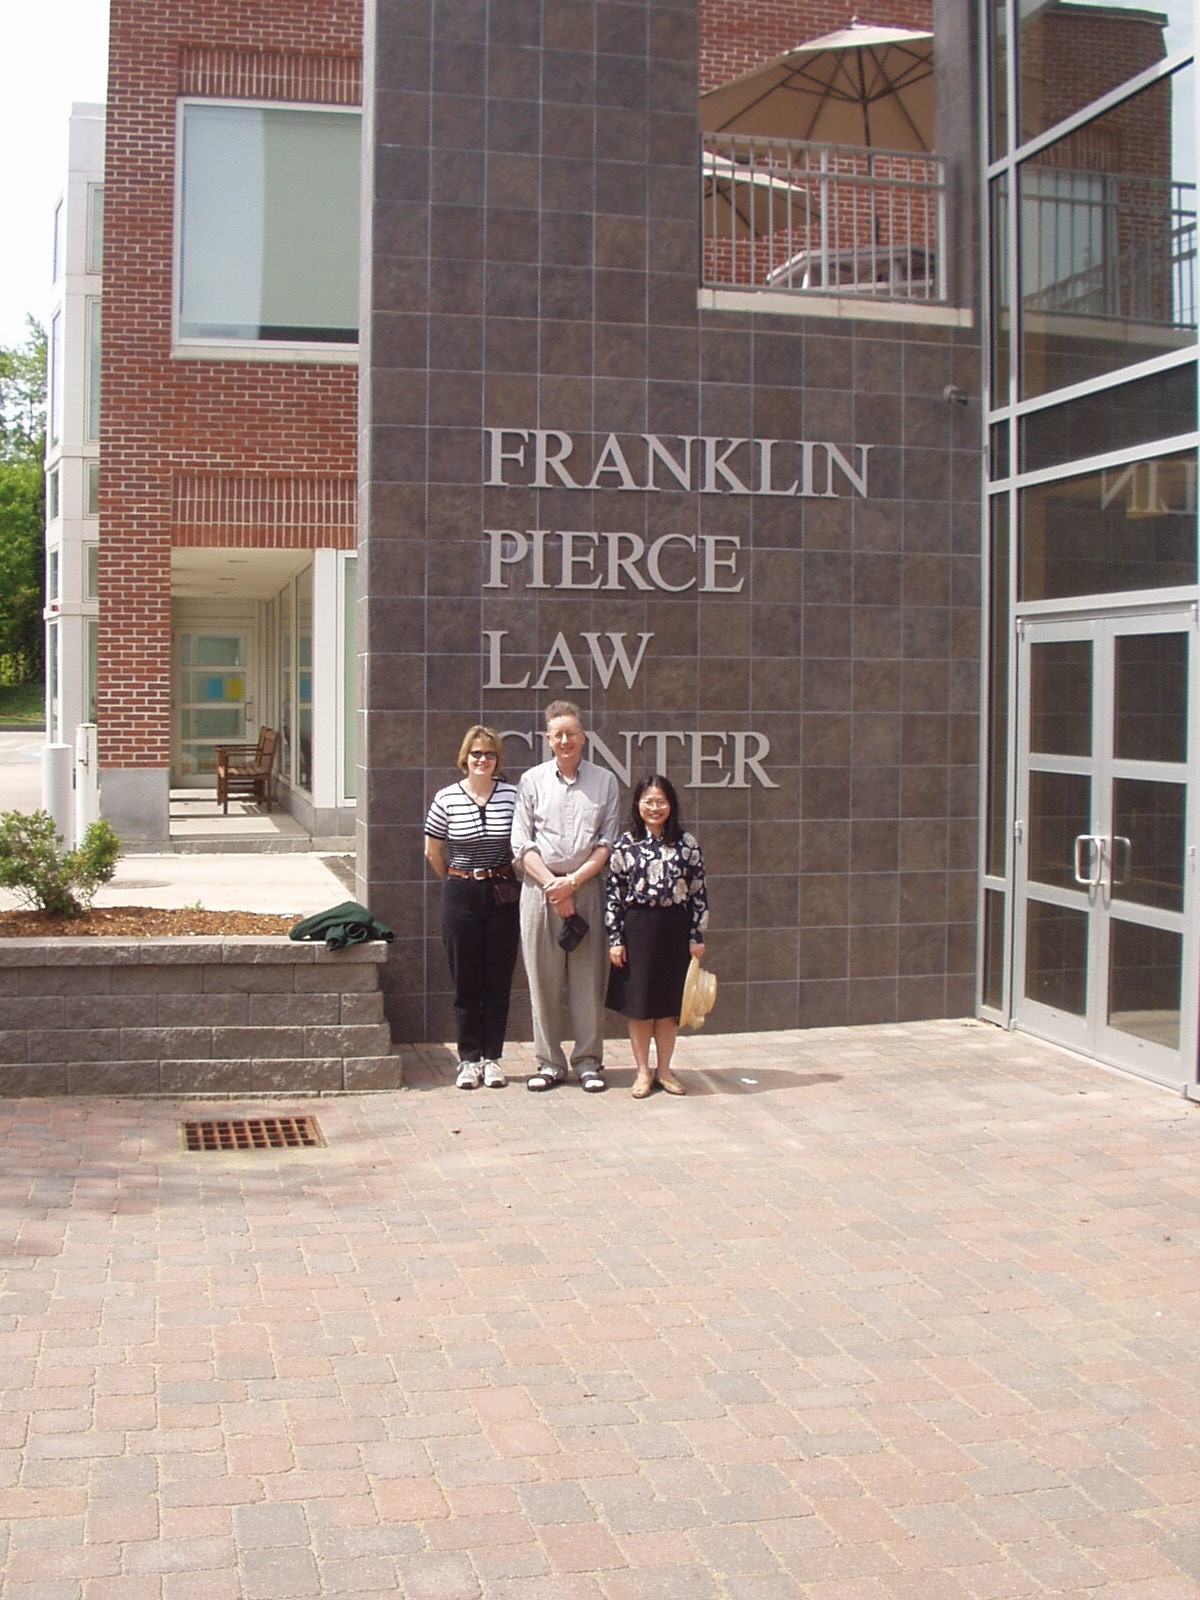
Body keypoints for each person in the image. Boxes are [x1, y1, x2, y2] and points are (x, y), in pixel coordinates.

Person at [511, 700, 620, 1093]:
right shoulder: (531, 781)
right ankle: (549, 1062)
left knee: (589, 981)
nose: (564, 740)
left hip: (587, 890)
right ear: (548, 739)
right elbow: (521, 844)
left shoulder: (605, 781)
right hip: (539, 892)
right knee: (543, 980)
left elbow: (607, 843)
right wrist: (554, 888)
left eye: (571, 733)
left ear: (583, 738)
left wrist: (572, 883)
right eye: (557, 734)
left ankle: (588, 1061)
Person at [424, 725, 521, 1089]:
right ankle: (469, 1059)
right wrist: (456, 877)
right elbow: (433, 851)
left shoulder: (513, 796)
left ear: (498, 760)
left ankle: (493, 1058)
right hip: (460, 892)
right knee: (465, 981)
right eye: (477, 754)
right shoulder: (446, 798)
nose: (483, 760)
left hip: (502, 893)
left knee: (498, 980)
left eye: (490, 754)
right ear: (465, 758)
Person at [605, 775, 708, 1099]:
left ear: (671, 805)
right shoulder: (625, 844)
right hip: (637, 928)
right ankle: (642, 1072)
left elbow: (698, 892)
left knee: (668, 1007)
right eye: (648, 801)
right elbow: (614, 893)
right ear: (638, 805)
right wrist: (615, 938)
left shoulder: (687, 843)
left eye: (661, 801)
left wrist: (696, 935)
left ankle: (664, 1070)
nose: (655, 807)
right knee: (639, 1006)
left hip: (674, 928)